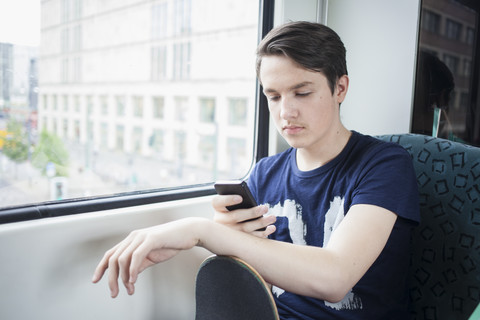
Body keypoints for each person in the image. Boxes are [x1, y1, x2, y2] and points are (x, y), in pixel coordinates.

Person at [92, 21, 420, 319]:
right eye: (273, 96)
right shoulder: (264, 174)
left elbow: (334, 278)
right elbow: (252, 272)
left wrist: (205, 232)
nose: (286, 111)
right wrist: (229, 235)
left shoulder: (384, 165)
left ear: (340, 89)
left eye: (302, 93)